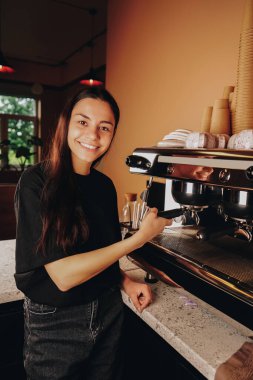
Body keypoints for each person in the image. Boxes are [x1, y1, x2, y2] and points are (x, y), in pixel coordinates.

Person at [14, 87, 169, 380]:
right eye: (83, 122)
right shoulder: (36, 182)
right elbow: (64, 275)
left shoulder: (104, 186)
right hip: (55, 323)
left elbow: (100, 253)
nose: (93, 135)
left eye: (105, 127)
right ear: (66, 124)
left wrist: (124, 281)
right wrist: (139, 239)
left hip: (108, 311)